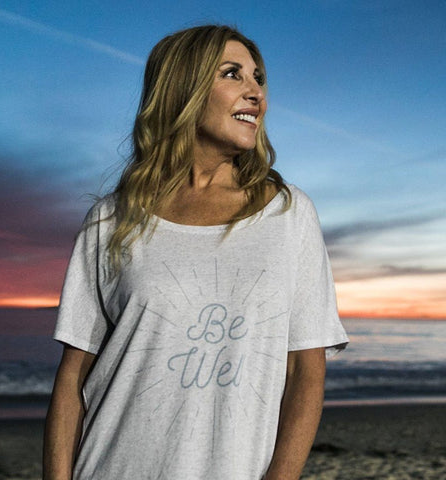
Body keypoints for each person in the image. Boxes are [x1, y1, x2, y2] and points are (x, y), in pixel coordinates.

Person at [43, 25, 349, 480]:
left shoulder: (288, 214)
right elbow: (73, 377)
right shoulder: (112, 220)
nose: (256, 93)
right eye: (232, 74)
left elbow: (306, 370)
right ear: (183, 89)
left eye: (259, 78)